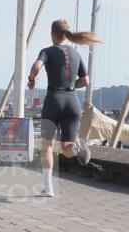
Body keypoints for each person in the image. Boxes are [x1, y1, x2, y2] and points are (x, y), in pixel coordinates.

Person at [26, 19, 101, 196]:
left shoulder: (47, 51)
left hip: (53, 101)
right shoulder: (75, 54)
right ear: (66, 35)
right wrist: (70, 85)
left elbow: (36, 66)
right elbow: (86, 81)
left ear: (52, 33)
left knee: (47, 146)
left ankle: (48, 188)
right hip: (72, 102)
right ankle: (77, 148)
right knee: (67, 149)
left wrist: (31, 79)